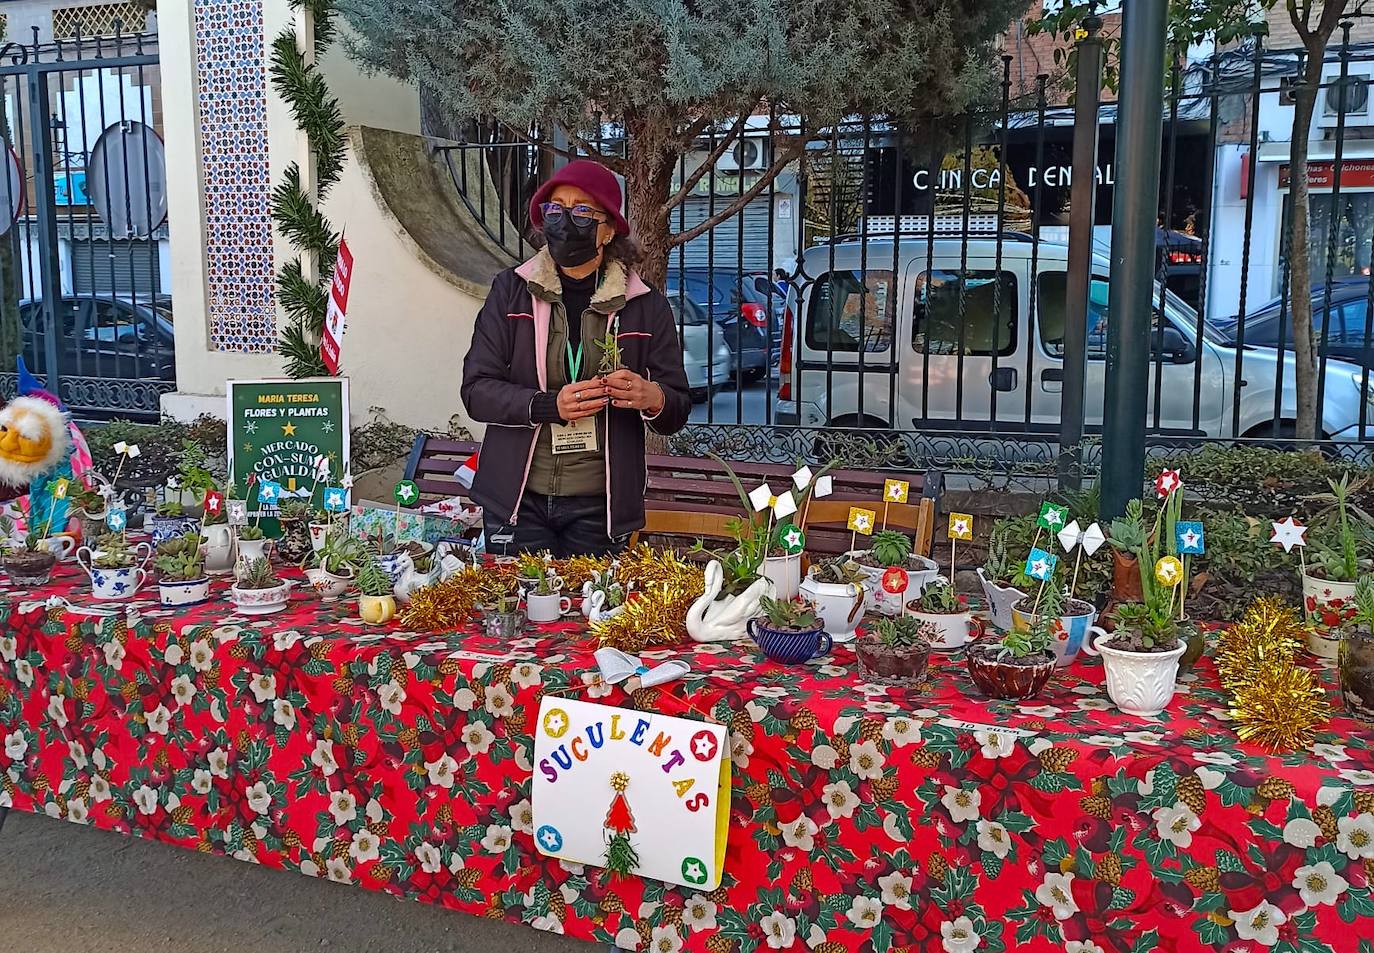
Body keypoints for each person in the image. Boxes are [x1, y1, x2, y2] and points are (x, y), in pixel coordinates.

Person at [461, 160, 691, 558]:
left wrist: (651, 396)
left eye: (582, 211)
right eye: (555, 209)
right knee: (514, 612)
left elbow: (676, 407)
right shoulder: (511, 291)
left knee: (589, 616)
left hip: (598, 506)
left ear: (607, 230)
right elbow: (477, 390)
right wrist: (548, 405)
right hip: (517, 500)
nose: (565, 220)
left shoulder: (644, 305)